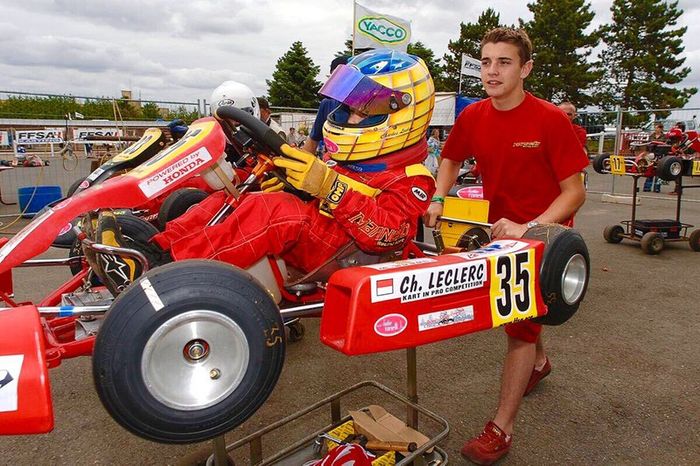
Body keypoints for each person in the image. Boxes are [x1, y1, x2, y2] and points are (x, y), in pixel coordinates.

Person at [96, 49, 436, 297]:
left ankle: (158, 276)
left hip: (352, 254)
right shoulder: (352, 160)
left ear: (401, 113)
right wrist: (296, 184)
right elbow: (323, 194)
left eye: (362, 110)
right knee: (233, 198)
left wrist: (329, 187)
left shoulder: (414, 177)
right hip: (327, 234)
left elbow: (390, 234)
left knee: (274, 212)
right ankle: (151, 251)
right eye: (347, 107)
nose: (348, 117)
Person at [424, 27, 588, 465]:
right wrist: (439, 197)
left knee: (517, 324)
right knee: (523, 318)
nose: (492, 71)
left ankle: (501, 428)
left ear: (525, 68)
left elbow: (575, 192)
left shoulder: (550, 119)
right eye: (486, 62)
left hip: (546, 234)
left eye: (504, 62)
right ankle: (540, 364)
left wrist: (530, 226)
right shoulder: (473, 116)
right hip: (502, 229)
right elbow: (451, 159)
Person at [303, 55, 349, 156]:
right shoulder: (328, 103)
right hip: (333, 166)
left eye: (345, 76)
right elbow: (312, 141)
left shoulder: (372, 104)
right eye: (335, 77)